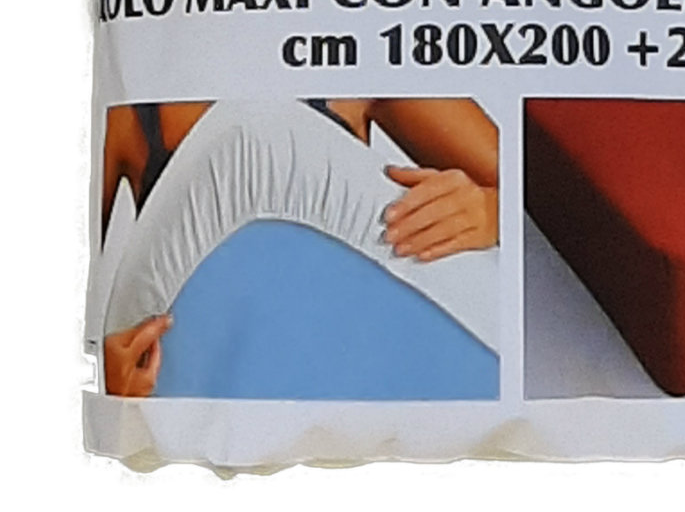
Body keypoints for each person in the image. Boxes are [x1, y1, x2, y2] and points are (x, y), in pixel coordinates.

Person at [101, 97, 499, 396]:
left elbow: (527, 191)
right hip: (211, 395)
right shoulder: (127, 110)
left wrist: (490, 210)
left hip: (369, 372)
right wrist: (102, 384)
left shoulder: (355, 53)